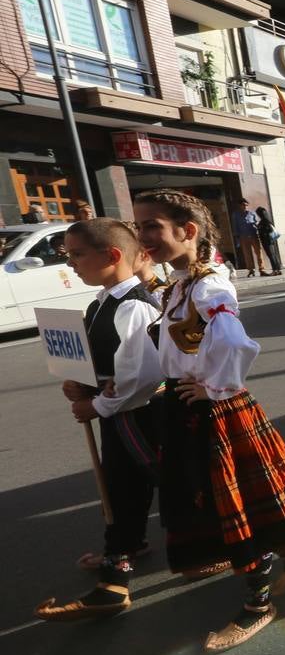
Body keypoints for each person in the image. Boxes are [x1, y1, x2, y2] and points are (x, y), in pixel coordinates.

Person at [135, 189, 285, 650]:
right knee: (230, 501)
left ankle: (259, 604)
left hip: (211, 408)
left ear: (188, 231)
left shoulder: (209, 285)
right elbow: (181, 343)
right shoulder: (183, 282)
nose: (144, 236)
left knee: (231, 507)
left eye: (151, 226)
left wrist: (213, 389)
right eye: (139, 227)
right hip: (191, 403)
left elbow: (235, 344)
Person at [33, 219, 164, 623]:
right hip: (115, 410)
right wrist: (82, 386)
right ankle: (126, 547)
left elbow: (143, 375)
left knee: (133, 485)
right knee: (124, 485)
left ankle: (115, 580)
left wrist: (98, 406)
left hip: (140, 416)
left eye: (77, 255)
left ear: (111, 256)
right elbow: (104, 362)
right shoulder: (99, 303)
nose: (70, 264)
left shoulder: (136, 305)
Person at [229, 199, 263, 277]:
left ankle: (261, 269)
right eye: (243, 205)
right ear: (240, 206)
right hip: (243, 237)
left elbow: (257, 223)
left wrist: (257, 227)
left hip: (254, 235)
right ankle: (251, 270)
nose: (245, 207)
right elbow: (235, 226)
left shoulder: (252, 213)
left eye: (246, 205)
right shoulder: (236, 215)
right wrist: (237, 237)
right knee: (247, 254)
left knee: (258, 253)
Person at [254, 206, 283, 276]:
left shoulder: (263, 222)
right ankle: (278, 269)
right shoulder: (268, 220)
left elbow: (266, 231)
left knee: (271, 255)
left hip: (267, 241)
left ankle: (275, 270)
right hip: (271, 240)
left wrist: (258, 227)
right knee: (274, 255)